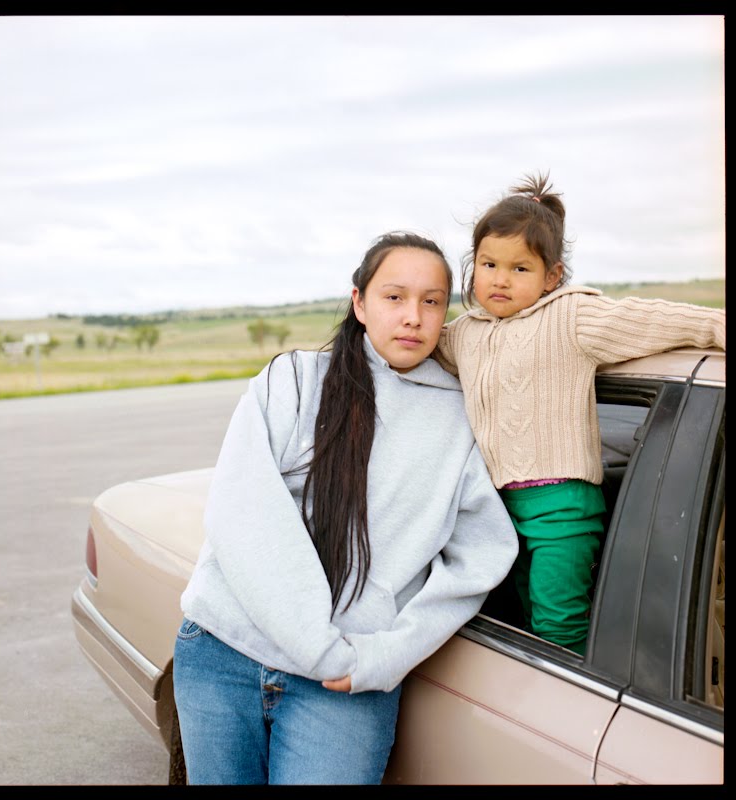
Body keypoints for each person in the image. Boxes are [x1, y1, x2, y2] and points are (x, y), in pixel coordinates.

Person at [173, 231, 519, 785]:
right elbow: (243, 515)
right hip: (224, 653)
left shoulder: (459, 419)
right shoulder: (291, 381)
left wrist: (387, 655)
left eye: (432, 301)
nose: (413, 316)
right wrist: (318, 647)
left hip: (348, 682)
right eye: (394, 297)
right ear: (358, 302)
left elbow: (481, 555)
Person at [436, 172, 726, 657]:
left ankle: (575, 705)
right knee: (522, 614)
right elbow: (419, 350)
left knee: (557, 618)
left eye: (520, 269)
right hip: (498, 508)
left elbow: (658, 320)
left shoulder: (571, 318)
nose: (500, 279)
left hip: (562, 504)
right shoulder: (465, 333)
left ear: (552, 276)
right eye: (489, 264)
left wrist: (718, 325)